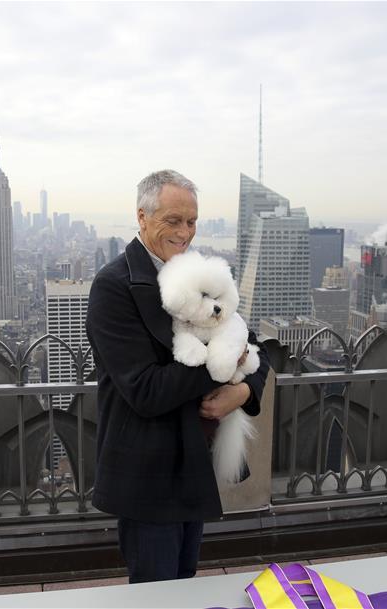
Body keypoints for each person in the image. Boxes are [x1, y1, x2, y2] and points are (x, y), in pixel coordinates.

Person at [85, 169, 270, 583]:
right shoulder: (113, 287)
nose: (185, 232)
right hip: (147, 476)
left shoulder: (197, 273)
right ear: (143, 217)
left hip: (192, 465)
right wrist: (221, 363)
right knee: (157, 594)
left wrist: (242, 391)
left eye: (191, 221)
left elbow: (253, 346)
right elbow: (145, 390)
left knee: (184, 585)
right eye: (173, 220)